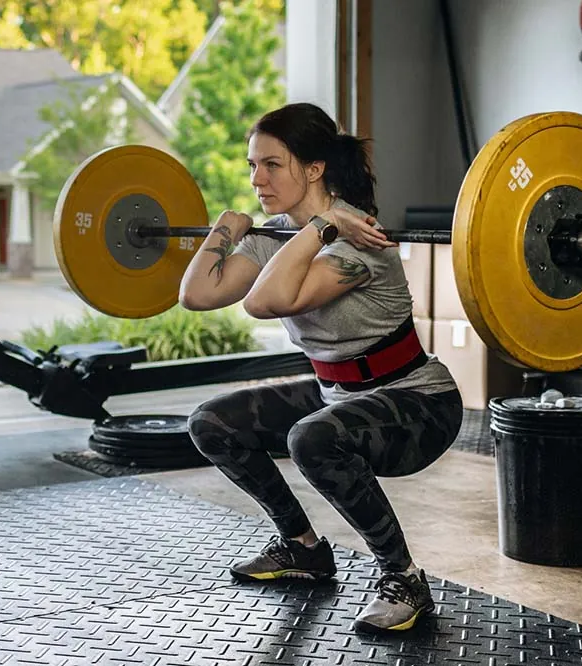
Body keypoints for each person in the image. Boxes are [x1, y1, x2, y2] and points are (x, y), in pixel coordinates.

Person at [180, 102, 463, 634]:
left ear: (314, 169)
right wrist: (224, 229)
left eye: (271, 165)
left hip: (418, 405)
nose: (256, 179)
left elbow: (266, 302)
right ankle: (302, 549)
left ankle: (404, 579)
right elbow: (197, 294)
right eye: (251, 166)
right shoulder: (276, 237)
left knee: (309, 439)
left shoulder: (359, 241)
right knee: (210, 423)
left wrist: (326, 225)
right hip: (340, 395)